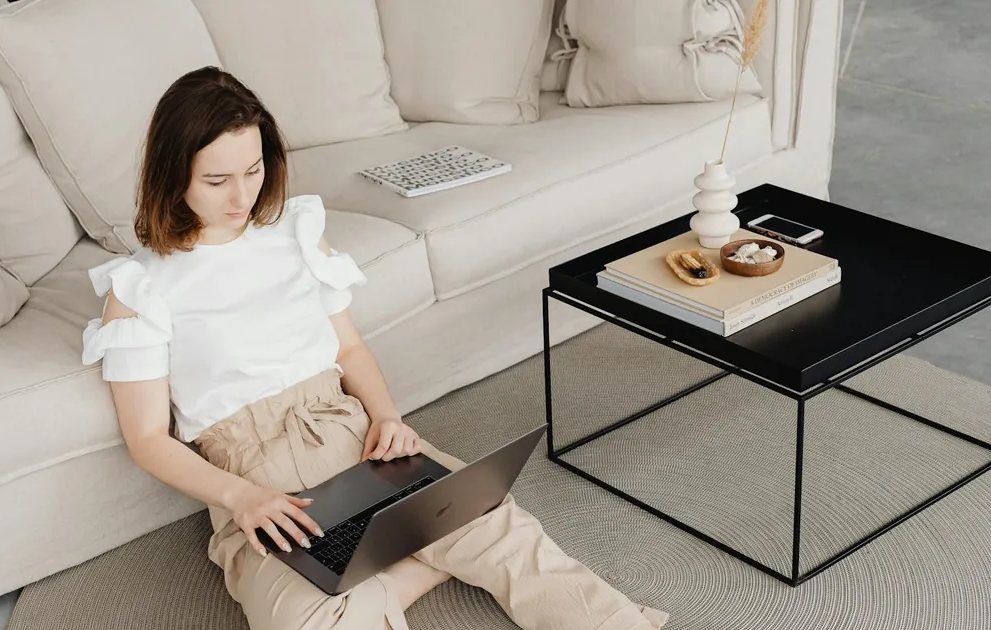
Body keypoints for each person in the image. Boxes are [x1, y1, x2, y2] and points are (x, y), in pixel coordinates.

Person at [81, 66, 669, 630]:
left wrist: (389, 418)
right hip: (254, 473)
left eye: (254, 170)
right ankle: (411, 567)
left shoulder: (296, 232)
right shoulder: (140, 287)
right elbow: (149, 439)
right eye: (216, 180)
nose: (241, 195)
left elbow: (352, 351)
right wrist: (242, 498)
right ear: (172, 173)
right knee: (305, 619)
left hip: (347, 429)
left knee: (501, 529)